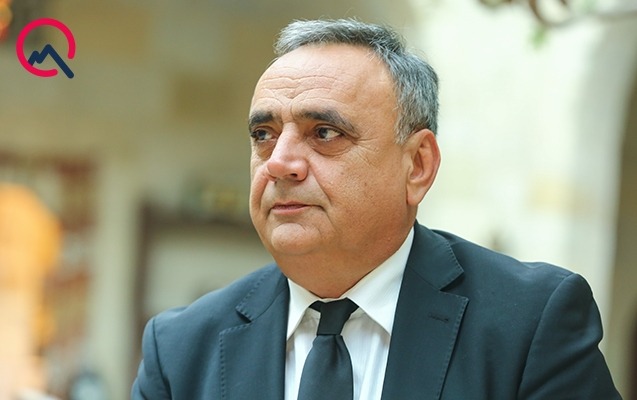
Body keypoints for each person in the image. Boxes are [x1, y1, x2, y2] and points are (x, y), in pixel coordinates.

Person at [132, 18, 620, 399]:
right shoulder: (180, 348)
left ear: (417, 165)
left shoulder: (529, 325)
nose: (279, 162)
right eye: (264, 134)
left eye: (324, 133)